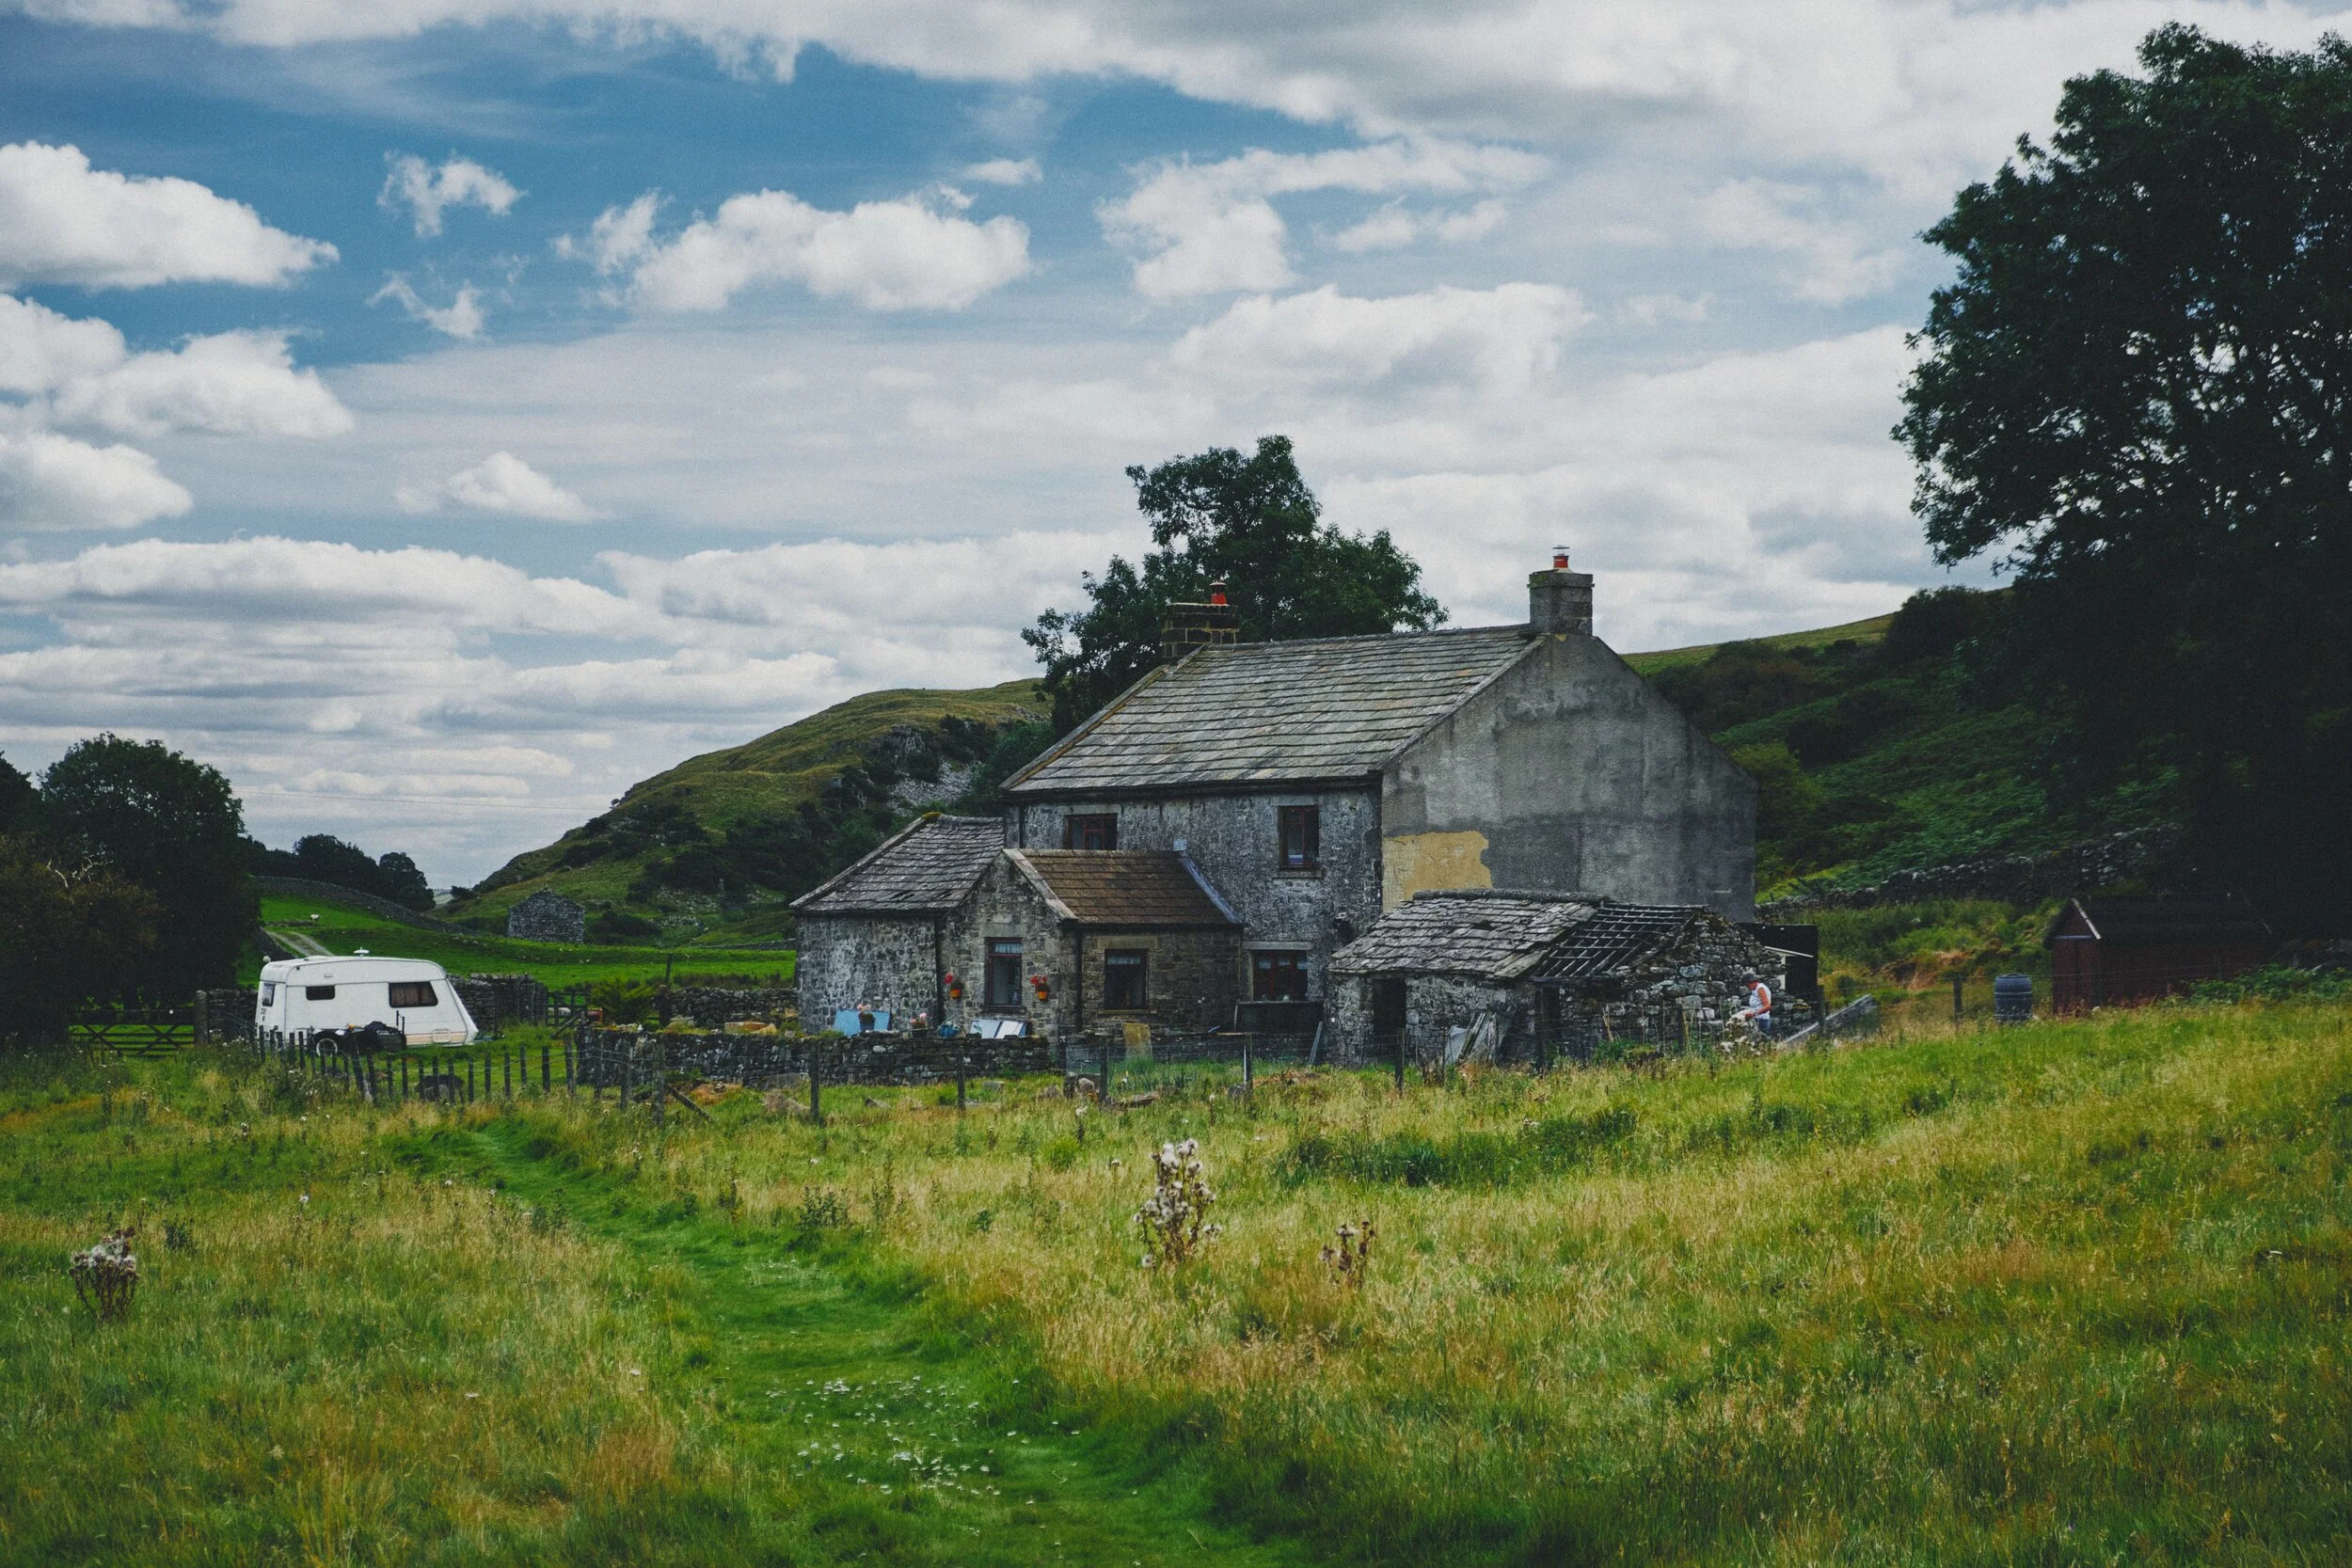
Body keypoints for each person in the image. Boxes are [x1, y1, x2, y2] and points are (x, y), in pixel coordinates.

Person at [1733, 971, 1773, 1036]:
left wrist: (1754, 1014)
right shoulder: (1755, 989)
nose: (1747, 987)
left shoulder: (1760, 989)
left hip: (1761, 1020)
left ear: (1751, 981)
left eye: (1747, 984)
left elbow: (1768, 1006)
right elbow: (1756, 1006)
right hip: (1757, 1019)